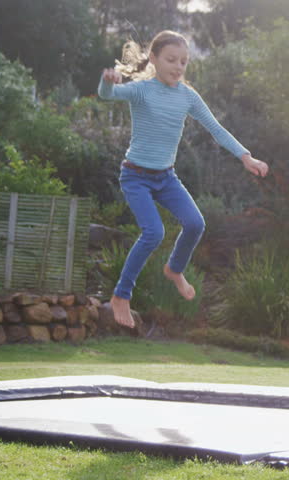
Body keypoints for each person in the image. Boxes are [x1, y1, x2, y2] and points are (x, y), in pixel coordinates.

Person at [98, 30, 268, 328]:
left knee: (195, 223)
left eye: (184, 62)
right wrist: (107, 81)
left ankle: (174, 269)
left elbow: (216, 129)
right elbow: (108, 95)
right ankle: (121, 296)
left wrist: (245, 156)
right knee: (153, 232)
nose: (178, 67)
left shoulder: (188, 96)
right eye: (171, 60)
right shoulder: (140, 90)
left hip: (166, 177)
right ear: (154, 58)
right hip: (135, 176)